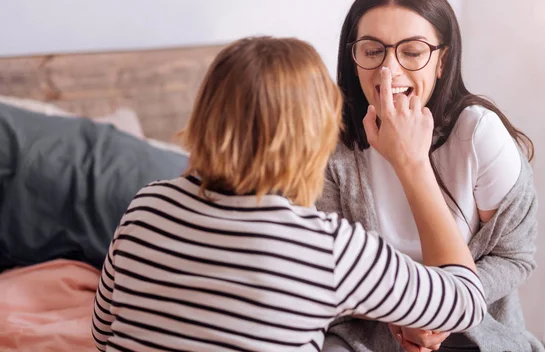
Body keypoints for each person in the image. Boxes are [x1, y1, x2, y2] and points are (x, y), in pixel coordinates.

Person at [91, 36, 486, 351]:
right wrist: (414, 165)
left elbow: (101, 334)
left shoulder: (146, 206)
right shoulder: (325, 247)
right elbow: (466, 302)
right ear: (314, 133)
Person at [317, 0, 542, 352]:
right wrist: (402, 308)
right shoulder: (329, 141)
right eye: (373, 51)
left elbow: (514, 255)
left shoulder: (478, 134)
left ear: (442, 61)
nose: (390, 70)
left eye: (413, 51)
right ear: (352, 56)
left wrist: (437, 314)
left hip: (473, 331)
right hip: (365, 329)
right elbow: (324, 265)